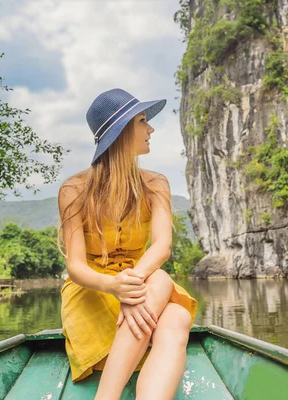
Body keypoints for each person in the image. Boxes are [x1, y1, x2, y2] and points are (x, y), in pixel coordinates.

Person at [57, 88, 198, 400]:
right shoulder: (74, 191)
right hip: (93, 289)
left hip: (141, 284)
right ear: (121, 132)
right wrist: (114, 287)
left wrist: (129, 286)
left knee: (175, 314)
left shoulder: (155, 184)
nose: (151, 129)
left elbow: (161, 247)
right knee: (167, 301)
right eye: (143, 121)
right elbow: (76, 266)